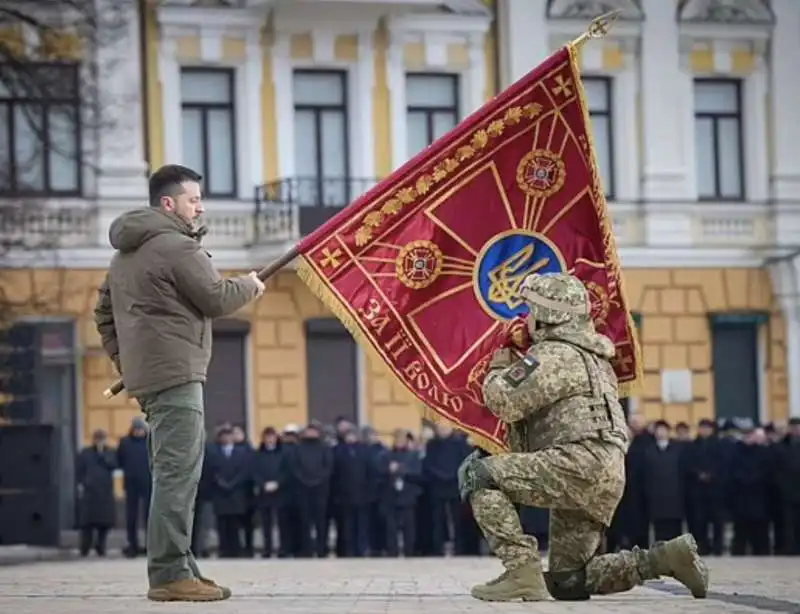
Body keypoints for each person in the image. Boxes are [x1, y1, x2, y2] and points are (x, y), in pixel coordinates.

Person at [458, 272, 709, 602]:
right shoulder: (595, 358)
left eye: (530, 311)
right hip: (604, 471)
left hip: (576, 463)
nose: (526, 320)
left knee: (477, 473)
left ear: (547, 316)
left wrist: (500, 362)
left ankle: (520, 569)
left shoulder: (551, 355)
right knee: (568, 580)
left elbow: (502, 398)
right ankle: (661, 559)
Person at [94, 164, 265, 602]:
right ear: (168, 204)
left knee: (171, 471)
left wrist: (126, 363)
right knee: (178, 475)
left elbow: (103, 315)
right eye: (193, 199)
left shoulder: (124, 254)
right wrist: (249, 285)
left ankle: (182, 566)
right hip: (177, 375)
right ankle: (170, 573)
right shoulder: (176, 246)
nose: (200, 207)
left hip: (150, 379)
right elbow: (216, 298)